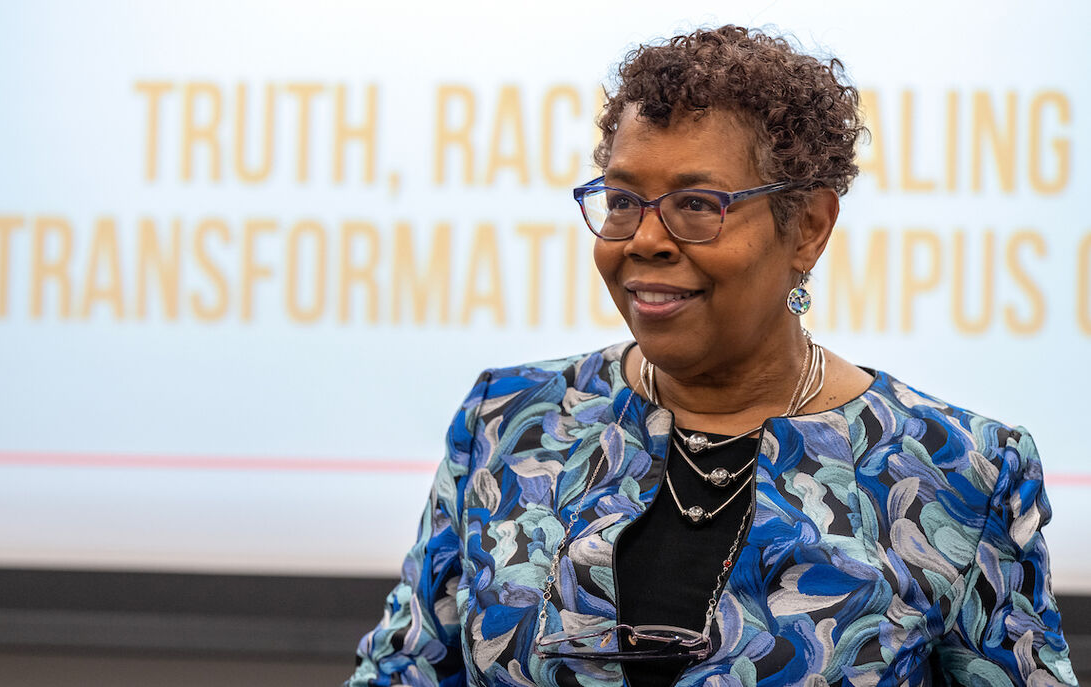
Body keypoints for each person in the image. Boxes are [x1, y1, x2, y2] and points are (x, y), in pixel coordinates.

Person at [346, 25, 1077, 686]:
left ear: (810, 228)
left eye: (698, 204)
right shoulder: (510, 423)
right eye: (624, 200)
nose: (645, 238)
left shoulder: (954, 471)